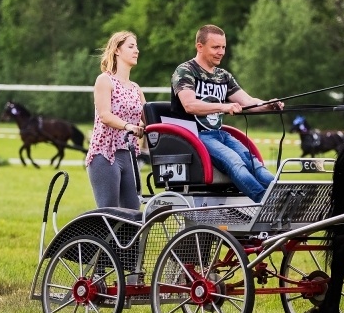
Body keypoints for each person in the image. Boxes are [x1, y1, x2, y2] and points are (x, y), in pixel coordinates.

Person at [171, 24, 283, 203]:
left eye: (223, 47)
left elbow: (247, 102)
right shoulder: (186, 71)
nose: (221, 52)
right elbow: (190, 105)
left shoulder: (223, 76)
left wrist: (268, 105)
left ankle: (285, 197)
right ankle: (268, 203)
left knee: (254, 163)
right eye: (215, 47)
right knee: (235, 162)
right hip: (195, 136)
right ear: (200, 46)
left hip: (219, 134)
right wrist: (223, 107)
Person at [86, 31, 146, 209]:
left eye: (136, 46)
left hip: (129, 155)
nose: (136, 50)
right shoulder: (105, 80)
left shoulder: (136, 88)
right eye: (131, 46)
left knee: (133, 211)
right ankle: (99, 238)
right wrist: (129, 126)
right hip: (104, 154)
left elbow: (148, 117)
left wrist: (144, 125)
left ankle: (125, 239)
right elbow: (105, 115)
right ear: (117, 50)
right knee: (109, 211)